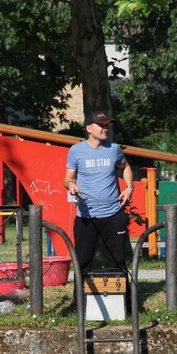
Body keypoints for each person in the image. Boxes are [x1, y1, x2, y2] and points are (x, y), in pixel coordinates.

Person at [64, 111, 134, 276]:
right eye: (101, 125)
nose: (105, 129)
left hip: (113, 214)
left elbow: (126, 168)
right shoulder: (76, 151)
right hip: (86, 217)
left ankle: (125, 301)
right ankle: (79, 302)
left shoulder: (114, 149)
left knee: (117, 263)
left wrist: (129, 187)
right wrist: (71, 185)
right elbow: (68, 178)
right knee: (83, 263)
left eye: (106, 125)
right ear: (89, 128)